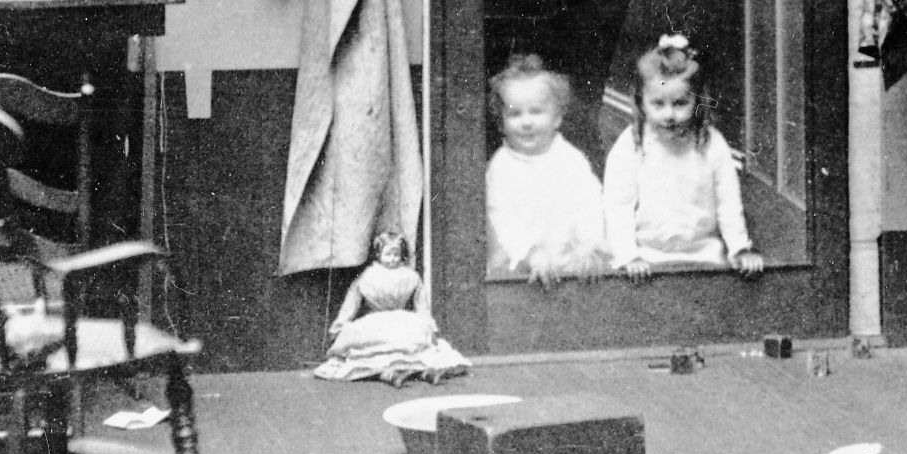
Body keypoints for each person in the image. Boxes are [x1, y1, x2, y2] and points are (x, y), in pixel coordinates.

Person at [603, 35, 764, 278]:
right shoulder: (631, 145)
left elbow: (728, 202)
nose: (669, 114)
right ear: (641, 102)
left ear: (696, 101)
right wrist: (628, 255)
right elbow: (618, 206)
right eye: (658, 104)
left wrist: (740, 248)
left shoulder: (711, 144)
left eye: (679, 103)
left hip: (705, 257)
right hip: (646, 259)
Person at [482, 55, 609, 284]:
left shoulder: (571, 160)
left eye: (536, 112)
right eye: (515, 114)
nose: (526, 122)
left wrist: (589, 246)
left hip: (571, 270)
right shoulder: (500, 168)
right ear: (501, 123)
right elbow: (501, 219)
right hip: (520, 273)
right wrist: (529, 253)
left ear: (557, 117)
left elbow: (590, 204)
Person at [313, 229, 469, 385]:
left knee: (371, 350)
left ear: (402, 256)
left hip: (383, 324)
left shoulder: (406, 277)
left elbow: (422, 308)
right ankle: (405, 372)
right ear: (378, 255)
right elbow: (350, 305)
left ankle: (403, 372)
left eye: (397, 255)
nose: (393, 259)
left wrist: (338, 328)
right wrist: (340, 326)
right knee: (411, 347)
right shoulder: (373, 277)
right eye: (389, 254)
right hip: (396, 323)